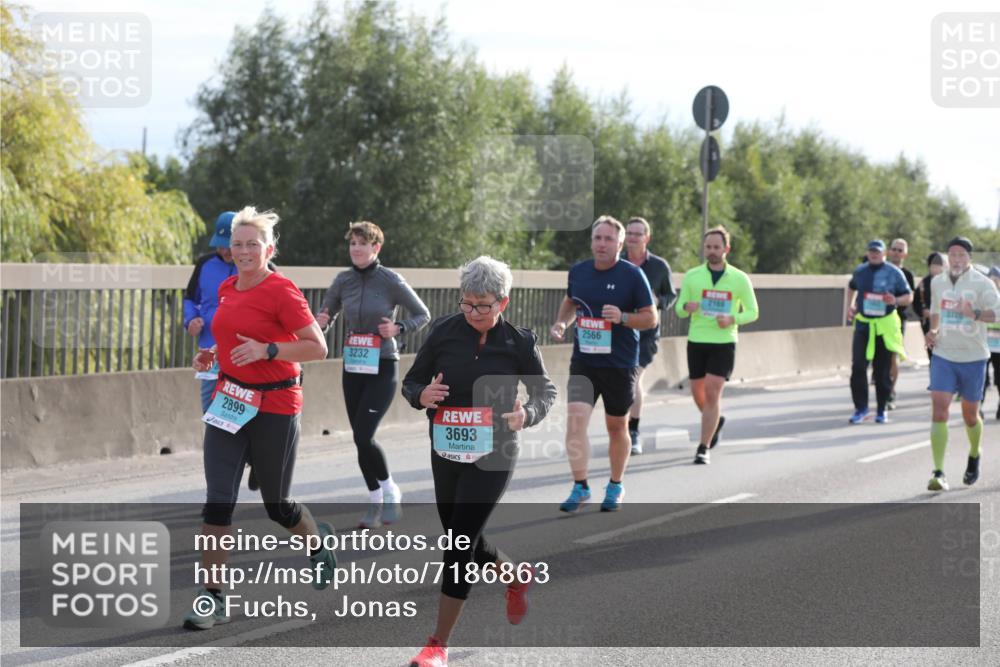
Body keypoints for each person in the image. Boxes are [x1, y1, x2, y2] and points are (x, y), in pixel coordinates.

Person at [183, 206, 337, 630]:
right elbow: (232, 335)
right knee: (218, 501)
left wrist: (269, 350)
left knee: (278, 506)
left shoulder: (283, 291)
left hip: (274, 406)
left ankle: (316, 543)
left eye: (253, 243)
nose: (245, 250)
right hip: (229, 400)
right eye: (238, 244)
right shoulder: (229, 287)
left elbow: (317, 348)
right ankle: (212, 596)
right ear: (229, 250)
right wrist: (213, 355)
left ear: (269, 248)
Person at [401, 256, 556, 667]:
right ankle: (513, 575)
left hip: (495, 451)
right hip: (446, 448)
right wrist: (421, 396)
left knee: (458, 544)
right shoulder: (444, 332)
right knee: (460, 533)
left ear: (502, 303)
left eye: (482, 305)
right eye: (466, 303)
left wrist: (529, 414)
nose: (472, 313)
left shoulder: (518, 342)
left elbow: (547, 392)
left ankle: (438, 644)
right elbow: (411, 381)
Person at [316, 221, 431, 529]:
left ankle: (390, 489)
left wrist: (399, 328)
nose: (356, 249)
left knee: (364, 434)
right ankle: (375, 500)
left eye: (362, 243)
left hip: (383, 364)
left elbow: (423, 314)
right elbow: (326, 315)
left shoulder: (390, 280)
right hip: (353, 366)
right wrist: (322, 320)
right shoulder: (343, 280)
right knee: (359, 439)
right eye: (352, 243)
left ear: (375, 247)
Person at [551, 216, 657, 512]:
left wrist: (622, 317)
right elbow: (571, 302)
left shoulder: (633, 275)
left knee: (616, 427)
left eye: (608, 239)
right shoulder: (579, 271)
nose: (601, 244)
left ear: (620, 244)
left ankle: (615, 484)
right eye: (597, 238)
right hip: (584, 361)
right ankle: (580, 486)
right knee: (574, 423)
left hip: (619, 364)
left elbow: (651, 317)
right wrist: (561, 323)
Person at [674, 226, 759, 464]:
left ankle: (703, 447)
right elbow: (680, 308)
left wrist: (733, 318)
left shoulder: (740, 279)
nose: (711, 251)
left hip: (724, 342)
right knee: (698, 394)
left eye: (716, 247)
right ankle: (715, 420)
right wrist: (687, 307)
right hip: (697, 340)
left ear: (726, 249)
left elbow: (753, 311)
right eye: (708, 247)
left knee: (712, 393)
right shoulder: (692, 276)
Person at [924, 237, 999, 491]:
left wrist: (974, 314)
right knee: (940, 409)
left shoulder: (982, 283)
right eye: (952, 254)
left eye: (961, 255)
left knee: (969, 416)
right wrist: (933, 330)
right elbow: (935, 311)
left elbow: (997, 313)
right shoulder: (938, 282)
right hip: (944, 355)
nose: (956, 259)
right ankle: (938, 472)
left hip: (973, 356)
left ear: (969, 257)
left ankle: (975, 453)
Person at [622, 216, 676, 455]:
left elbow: (670, 296)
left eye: (637, 234)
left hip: (646, 333)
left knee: (633, 379)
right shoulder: (617, 263)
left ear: (647, 238)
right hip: (619, 331)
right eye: (629, 233)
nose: (633, 238)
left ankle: (633, 432)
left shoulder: (659, 266)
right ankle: (621, 427)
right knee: (622, 381)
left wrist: (658, 301)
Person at [845, 240, 913, 424]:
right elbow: (851, 287)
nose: (874, 254)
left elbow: (909, 296)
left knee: (881, 370)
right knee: (858, 367)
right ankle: (861, 408)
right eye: (871, 251)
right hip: (864, 325)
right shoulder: (860, 271)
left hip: (884, 325)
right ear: (867, 253)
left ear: (884, 253)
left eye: (877, 251)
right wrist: (850, 306)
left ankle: (882, 409)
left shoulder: (894, 272)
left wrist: (896, 300)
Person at [184, 212, 237, 412]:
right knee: (210, 407)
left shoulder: (259, 268)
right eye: (221, 245)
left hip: (242, 352)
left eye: (229, 244)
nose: (225, 251)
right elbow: (190, 298)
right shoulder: (204, 264)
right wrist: (191, 319)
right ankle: (213, 444)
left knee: (237, 409)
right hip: (209, 349)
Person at [886, 239, 916, 410]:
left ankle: (891, 392)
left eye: (900, 250)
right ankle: (882, 388)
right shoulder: (881, 270)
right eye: (894, 249)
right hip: (877, 320)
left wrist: (895, 301)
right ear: (889, 252)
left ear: (905, 254)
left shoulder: (908, 275)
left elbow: (908, 298)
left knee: (893, 357)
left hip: (897, 320)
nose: (896, 252)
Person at [912, 252, 947, 361]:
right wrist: (923, 311)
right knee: (932, 352)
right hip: (928, 323)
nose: (936, 268)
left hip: (946, 322)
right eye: (933, 266)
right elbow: (916, 301)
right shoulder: (923, 283)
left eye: (938, 266)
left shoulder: (948, 282)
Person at [983, 266, 1000, 420]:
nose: (993, 282)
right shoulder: (981, 299)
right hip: (983, 345)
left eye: (996, 279)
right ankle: (977, 408)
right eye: (990, 279)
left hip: (999, 348)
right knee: (981, 378)